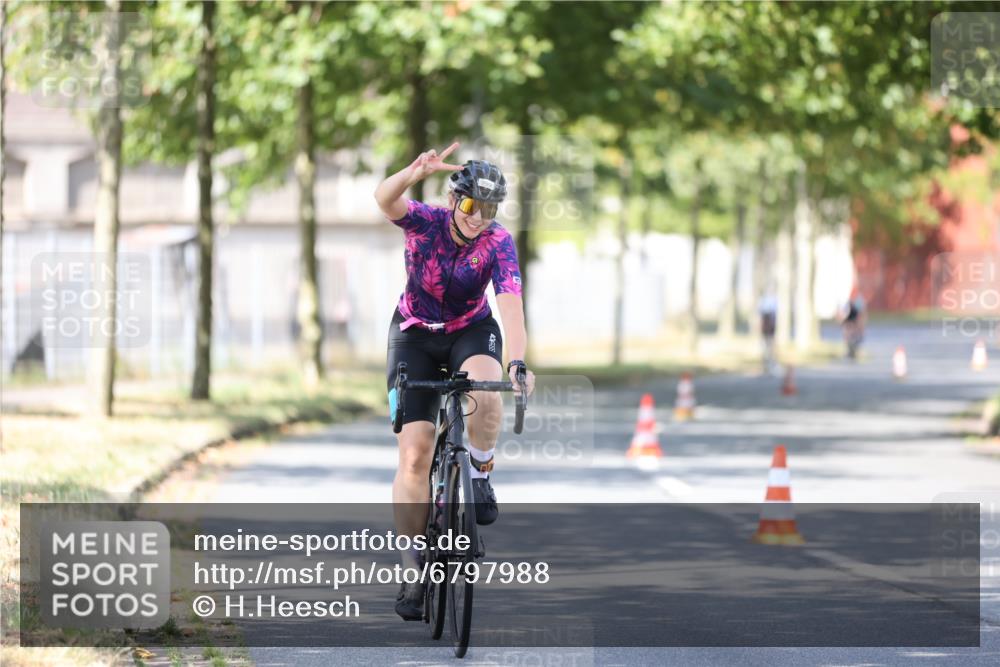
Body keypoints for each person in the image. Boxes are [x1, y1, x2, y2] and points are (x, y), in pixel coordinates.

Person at [374, 142, 536, 621]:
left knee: (486, 392)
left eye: (488, 209)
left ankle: (481, 472)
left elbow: (510, 306)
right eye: (470, 205)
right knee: (415, 454)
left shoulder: (499, 242)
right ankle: (412, 570)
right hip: (414, 336)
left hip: (471, 329)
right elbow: (384, 200)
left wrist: (518, 363)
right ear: (453, 201)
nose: (478, 217)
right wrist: (410, 171)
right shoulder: (423, 221)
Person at [841, 288, 866, 360]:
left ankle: (855, 349)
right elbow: (843, 313)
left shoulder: (858, 301)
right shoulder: (848, 301)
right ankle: (850, 350)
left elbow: (862, 313)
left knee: (855, 334)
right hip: (849, 319)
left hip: (855, 318)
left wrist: (861, 324)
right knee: (848, 333)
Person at [758, 291, 778, 375]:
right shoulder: (765, 312)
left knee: (769, 349)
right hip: (766, 332)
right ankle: (766, 366)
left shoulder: (770, 310)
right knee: (766, 349)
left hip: (770, 332)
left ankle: (769, 365)